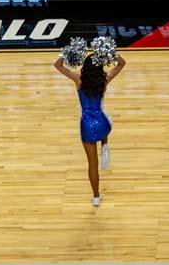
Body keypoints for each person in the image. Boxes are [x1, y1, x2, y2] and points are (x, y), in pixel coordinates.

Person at [54, 53, 126, 207]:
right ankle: (104, 144)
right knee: (106, 123)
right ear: (100, 67)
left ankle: (96, 197)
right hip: (103, 123)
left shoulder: (78, 80)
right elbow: (121, 63)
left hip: (86, 125)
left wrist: (66, 53)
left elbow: (58, 65)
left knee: (92, 164)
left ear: (85, 67)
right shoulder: (104, 80)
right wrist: (111, 52)